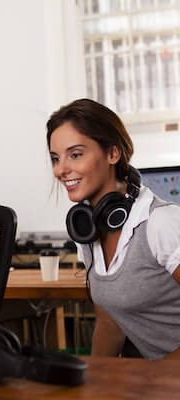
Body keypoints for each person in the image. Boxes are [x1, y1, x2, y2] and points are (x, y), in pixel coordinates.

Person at [47, 98, 180, 360]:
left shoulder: (161, 222)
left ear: (112, 154)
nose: (61, 169)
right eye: (55, 158)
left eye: (75, 154)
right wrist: (94, 384)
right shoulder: (88, 230)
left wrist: (158, 377)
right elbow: (110, 324)